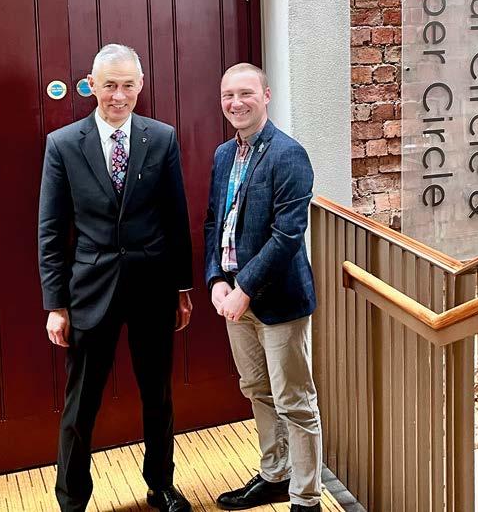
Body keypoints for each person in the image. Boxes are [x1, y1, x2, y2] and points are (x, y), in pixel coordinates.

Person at [39, 44, 193, 512]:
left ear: (141, 85)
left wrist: (182, 289)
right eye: (109, 85)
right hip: (90, 291)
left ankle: (161, 485)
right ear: (92, 85)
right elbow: (51, 229)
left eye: (128, 85)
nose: (119, 95)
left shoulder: (162, 138)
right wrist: (55, 304)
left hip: (153, 288)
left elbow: (176, 217)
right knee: (80, 405)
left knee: (157, 396)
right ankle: (71, 500)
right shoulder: (63, 144)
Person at [204, 63, 322, 512]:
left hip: (278, 301)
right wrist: (216, 279)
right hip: (234, 299)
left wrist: (245, 288)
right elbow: (214, 223)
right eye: (228, 95)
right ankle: (275, 476)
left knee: (295, 402)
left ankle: (306, 498)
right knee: (257, 389)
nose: (236, 103)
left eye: (246, 93)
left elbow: (287, 235)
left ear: (266, 96)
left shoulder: (288, 153)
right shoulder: (223, 155)